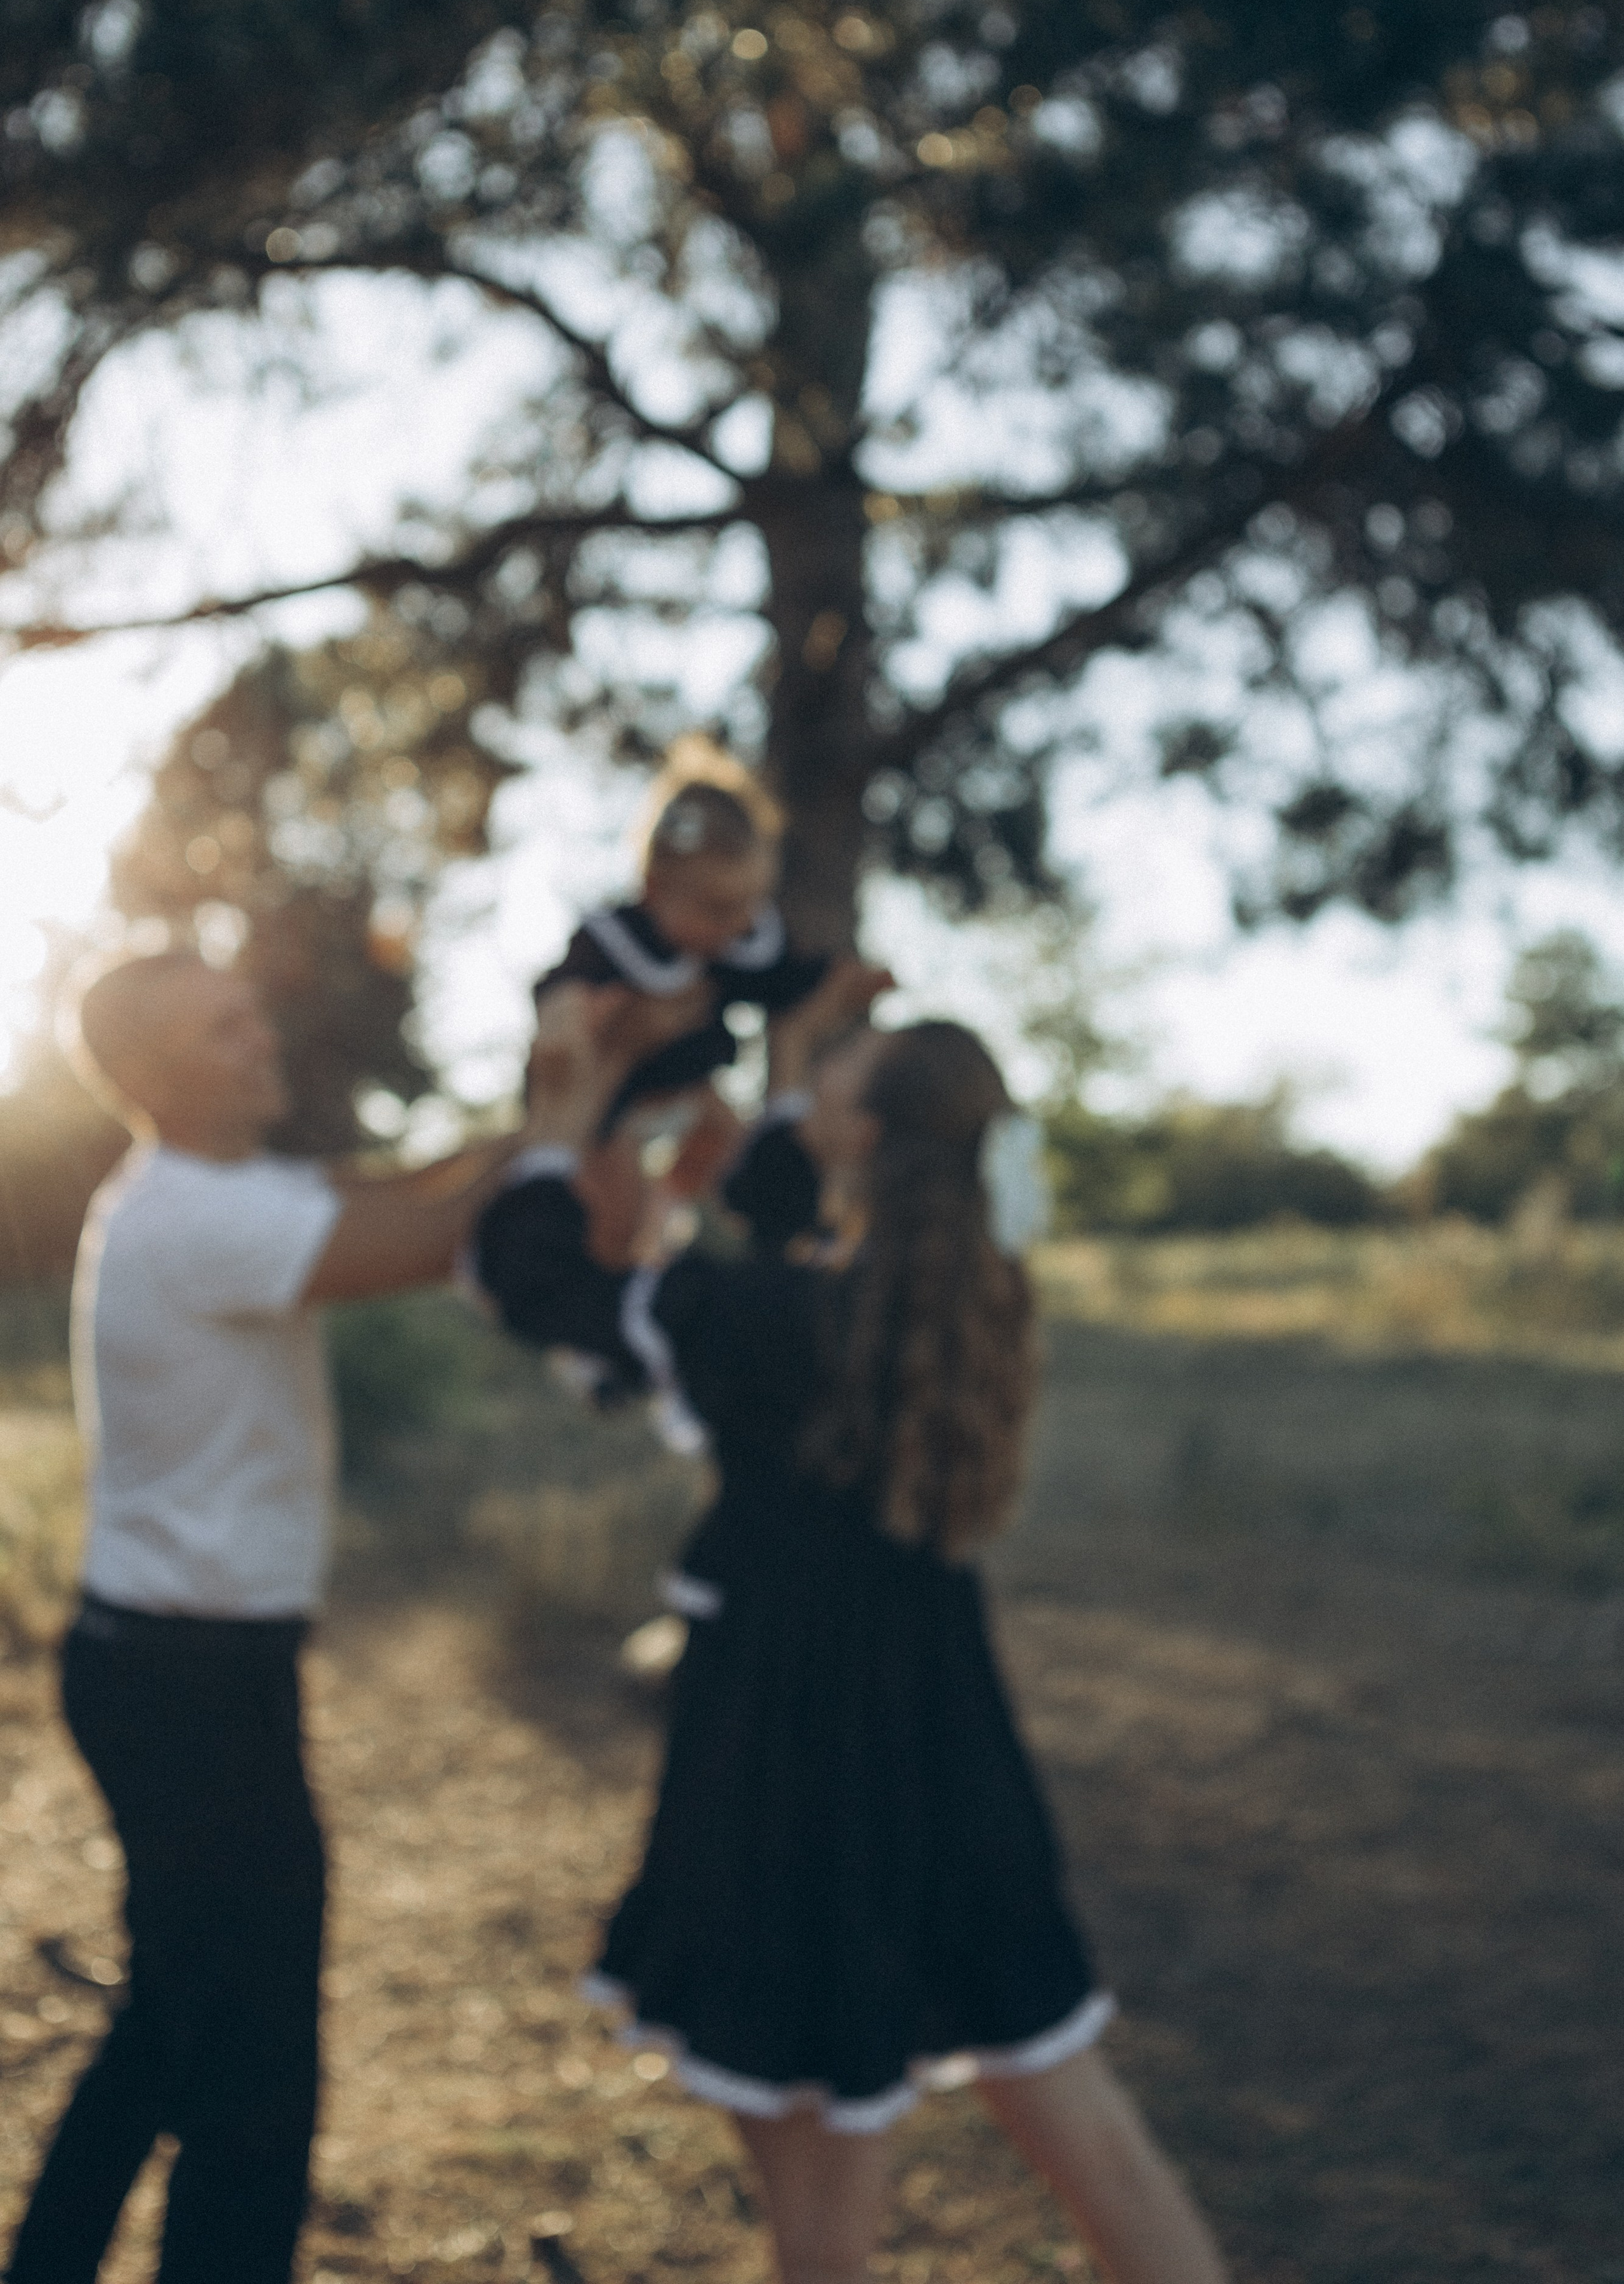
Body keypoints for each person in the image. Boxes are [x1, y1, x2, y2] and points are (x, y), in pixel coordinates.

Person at [475, 990, 1229, 2284]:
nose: (809, 1083)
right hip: (947, 1733)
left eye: (837, 1075)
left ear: (869, 1136)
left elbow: (533, 1275)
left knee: (821, 2209)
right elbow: (777, 1188)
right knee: (1082, 2126)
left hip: (792, 1755)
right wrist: (769, 1065)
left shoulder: (772, 1324)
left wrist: (554, 1128)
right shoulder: (944, 1303)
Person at [4, 947, 549, 2284]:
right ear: (152, 1076)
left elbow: (398, 1186)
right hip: (186, 1687)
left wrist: (548, 1119)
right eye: (225, 1025)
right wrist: (567, 1129)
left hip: (170, 1671)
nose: (264, 1034)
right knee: (255, 2073)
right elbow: (432, 1236)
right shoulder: (196, 1217)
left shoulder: (218, 1191)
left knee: (176, 2018)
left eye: (253, 1007)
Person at [530, 741, 831, 1262]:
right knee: (615, 1215)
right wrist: (564, 1023)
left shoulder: (738, 943)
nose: (735, 926)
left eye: (749, 907)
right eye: (717, 909)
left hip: (691, 1091)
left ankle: (718, 1217)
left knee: (747, 1156)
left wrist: (841, 978)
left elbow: (789, 980)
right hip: (613, 1104)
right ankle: (614, 1272)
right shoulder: (616, 942)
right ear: (653, 888)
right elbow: (563, 986)